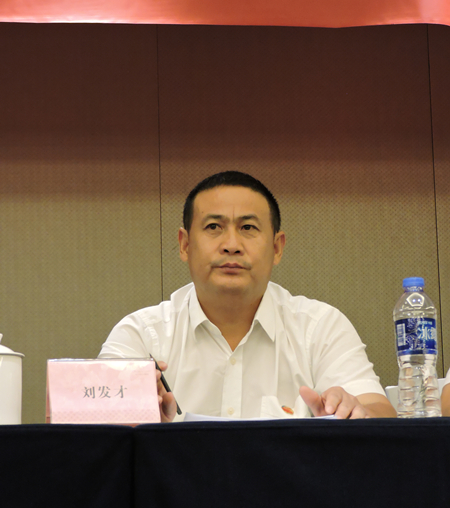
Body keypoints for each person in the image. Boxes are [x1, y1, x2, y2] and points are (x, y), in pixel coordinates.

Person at [99, 171, 396, 421]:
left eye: (248, 228)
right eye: (213, 227)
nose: (231, 244)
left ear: (277, 248)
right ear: (185, 245)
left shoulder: (320, 327)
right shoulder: (141, 336)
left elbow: (379, 412)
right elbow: (92, 426)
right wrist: (138, 419)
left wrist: (352, 413)